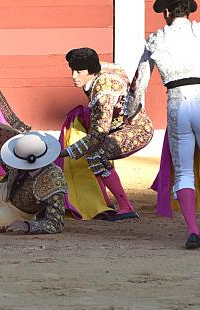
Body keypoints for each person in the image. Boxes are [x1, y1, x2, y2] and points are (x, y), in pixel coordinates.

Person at [130, 0, 200, 249]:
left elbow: (139, 85)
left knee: (185, 172)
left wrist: (129, 113)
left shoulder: (156, 39)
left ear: (167, 13)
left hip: (177, 105)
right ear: (188, 10)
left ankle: (193, 231)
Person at [60, 47, 153, 219]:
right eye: (72, 70)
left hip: (136, 129)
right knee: (98, 153)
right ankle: (120, 204)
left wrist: (66, 152)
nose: (74, 76)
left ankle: (126, 207)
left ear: (91, 70)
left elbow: (99, 134)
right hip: (121, 126)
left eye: (78, 71)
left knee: (96, 156)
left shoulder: (104, 93)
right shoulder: (101, 69)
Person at [0, 132, 67, 234]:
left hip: (20, 213)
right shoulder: (20, 152)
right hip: (3, 190)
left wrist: (27, 226)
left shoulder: (53, 178)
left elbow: (56, 223)